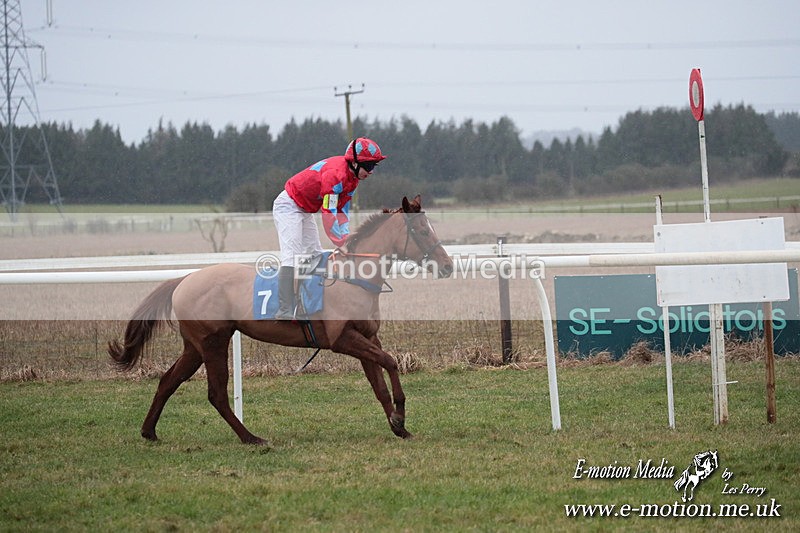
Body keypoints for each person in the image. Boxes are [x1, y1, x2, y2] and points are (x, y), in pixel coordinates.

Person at [271, 137, 387, 319]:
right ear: (355, 162)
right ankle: (284, 309)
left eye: (374, 167)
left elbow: (342, 211)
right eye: (369, 166)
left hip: (305, 209)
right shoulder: (336, 175)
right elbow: (328, 211)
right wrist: (339, 241)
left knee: (314, 254)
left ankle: (304, 305)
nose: (371, 172)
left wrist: (347, 237)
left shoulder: (352, 179)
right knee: (291, 254)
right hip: (289, 205)